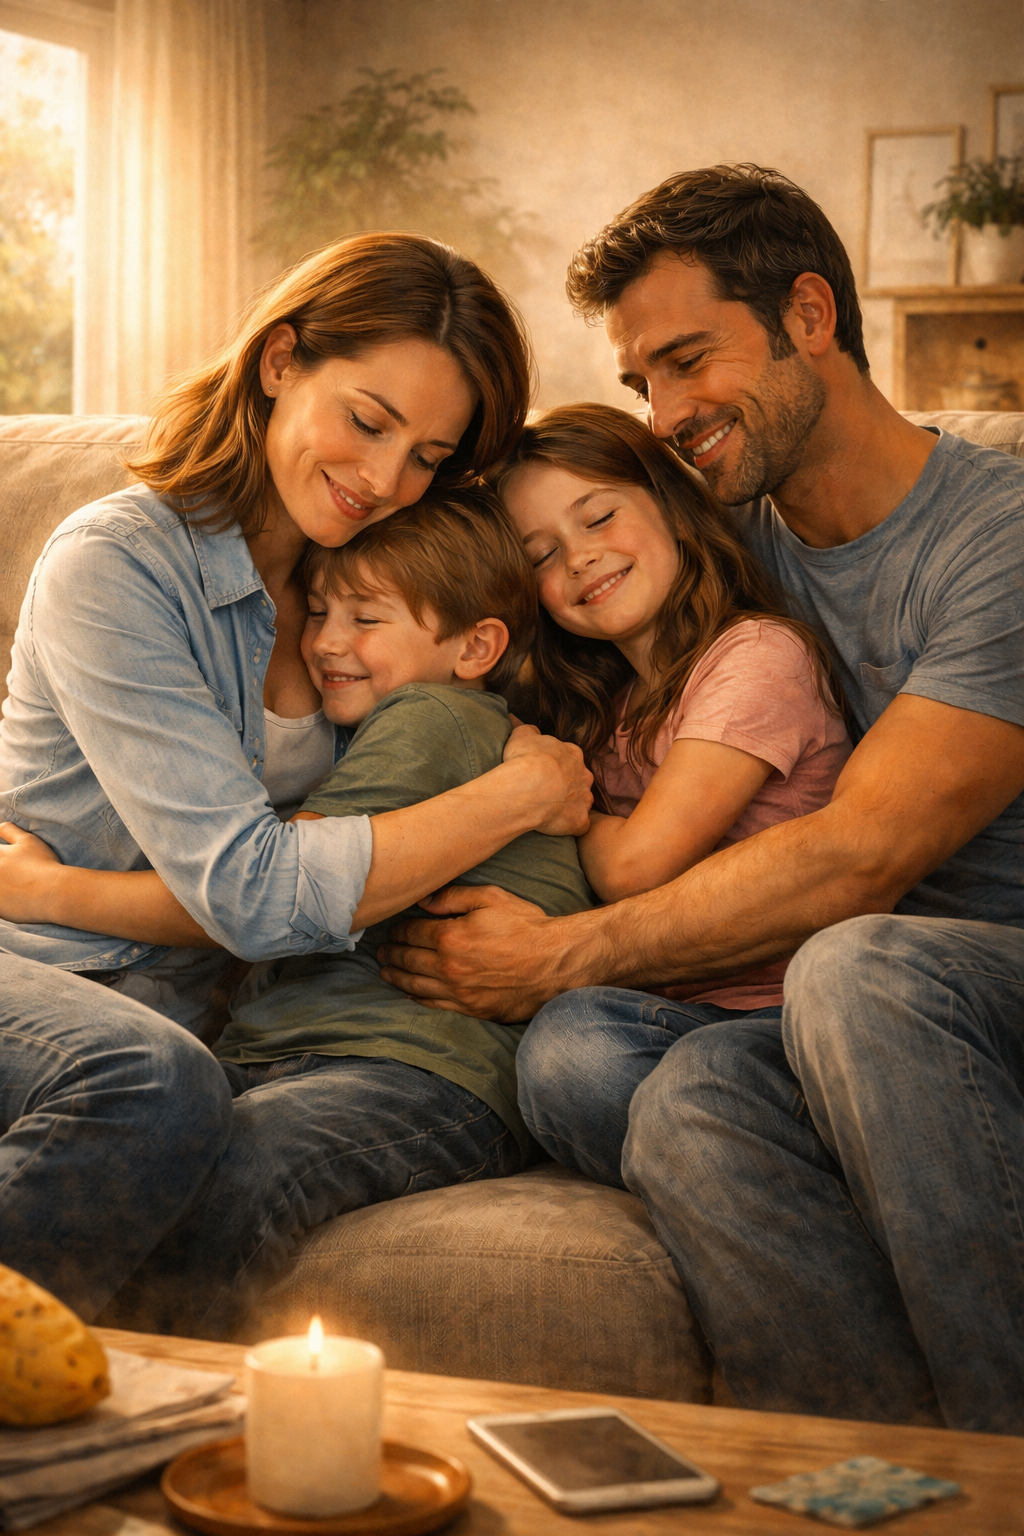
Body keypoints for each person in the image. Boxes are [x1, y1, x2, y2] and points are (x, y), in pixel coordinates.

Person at [376, 168, 1024, 1434]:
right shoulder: (727, 546)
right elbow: (516, 569)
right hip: (800, 1010)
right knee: (644, 1083)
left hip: (965, 982)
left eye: (687, 361)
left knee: (858, 971)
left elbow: (860, 859)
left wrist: (556, 954)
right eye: (643, 386)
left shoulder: (996, 539)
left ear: (810, 315)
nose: (668, 414)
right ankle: (860, 1478)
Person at [0, 233, 591, 1320]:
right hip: (48, 974)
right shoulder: (118, 563)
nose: (382, 479)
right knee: (150, 1082)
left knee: (185, 1094)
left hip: (199, 1005)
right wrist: (515, 792)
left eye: (426, 456)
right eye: (367, 421)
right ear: (280, 363)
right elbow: (259, 892)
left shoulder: (348, 586)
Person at [101, 487, 593, 1338]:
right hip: (295, 1056)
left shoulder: (433, 716)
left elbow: (266, 888)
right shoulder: (380, 730)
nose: (326, 641)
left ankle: (160, 1390)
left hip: (419, 1073)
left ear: (476, 646)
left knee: (239, 1167)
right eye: (319, 610)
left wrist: (40, 889)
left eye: (367, 620)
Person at [490, 401, 850, 1174]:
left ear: (675, 507)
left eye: (598, 518)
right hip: (669, 1011)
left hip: (784, 1019)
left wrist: (546, 791)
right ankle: (712, 1162)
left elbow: (634, 868)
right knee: (561, 1045)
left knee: (574, 1051)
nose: (578, 559)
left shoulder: (756, 656)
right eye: (541, 555)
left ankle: (765, 1156)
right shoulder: (603, 707)